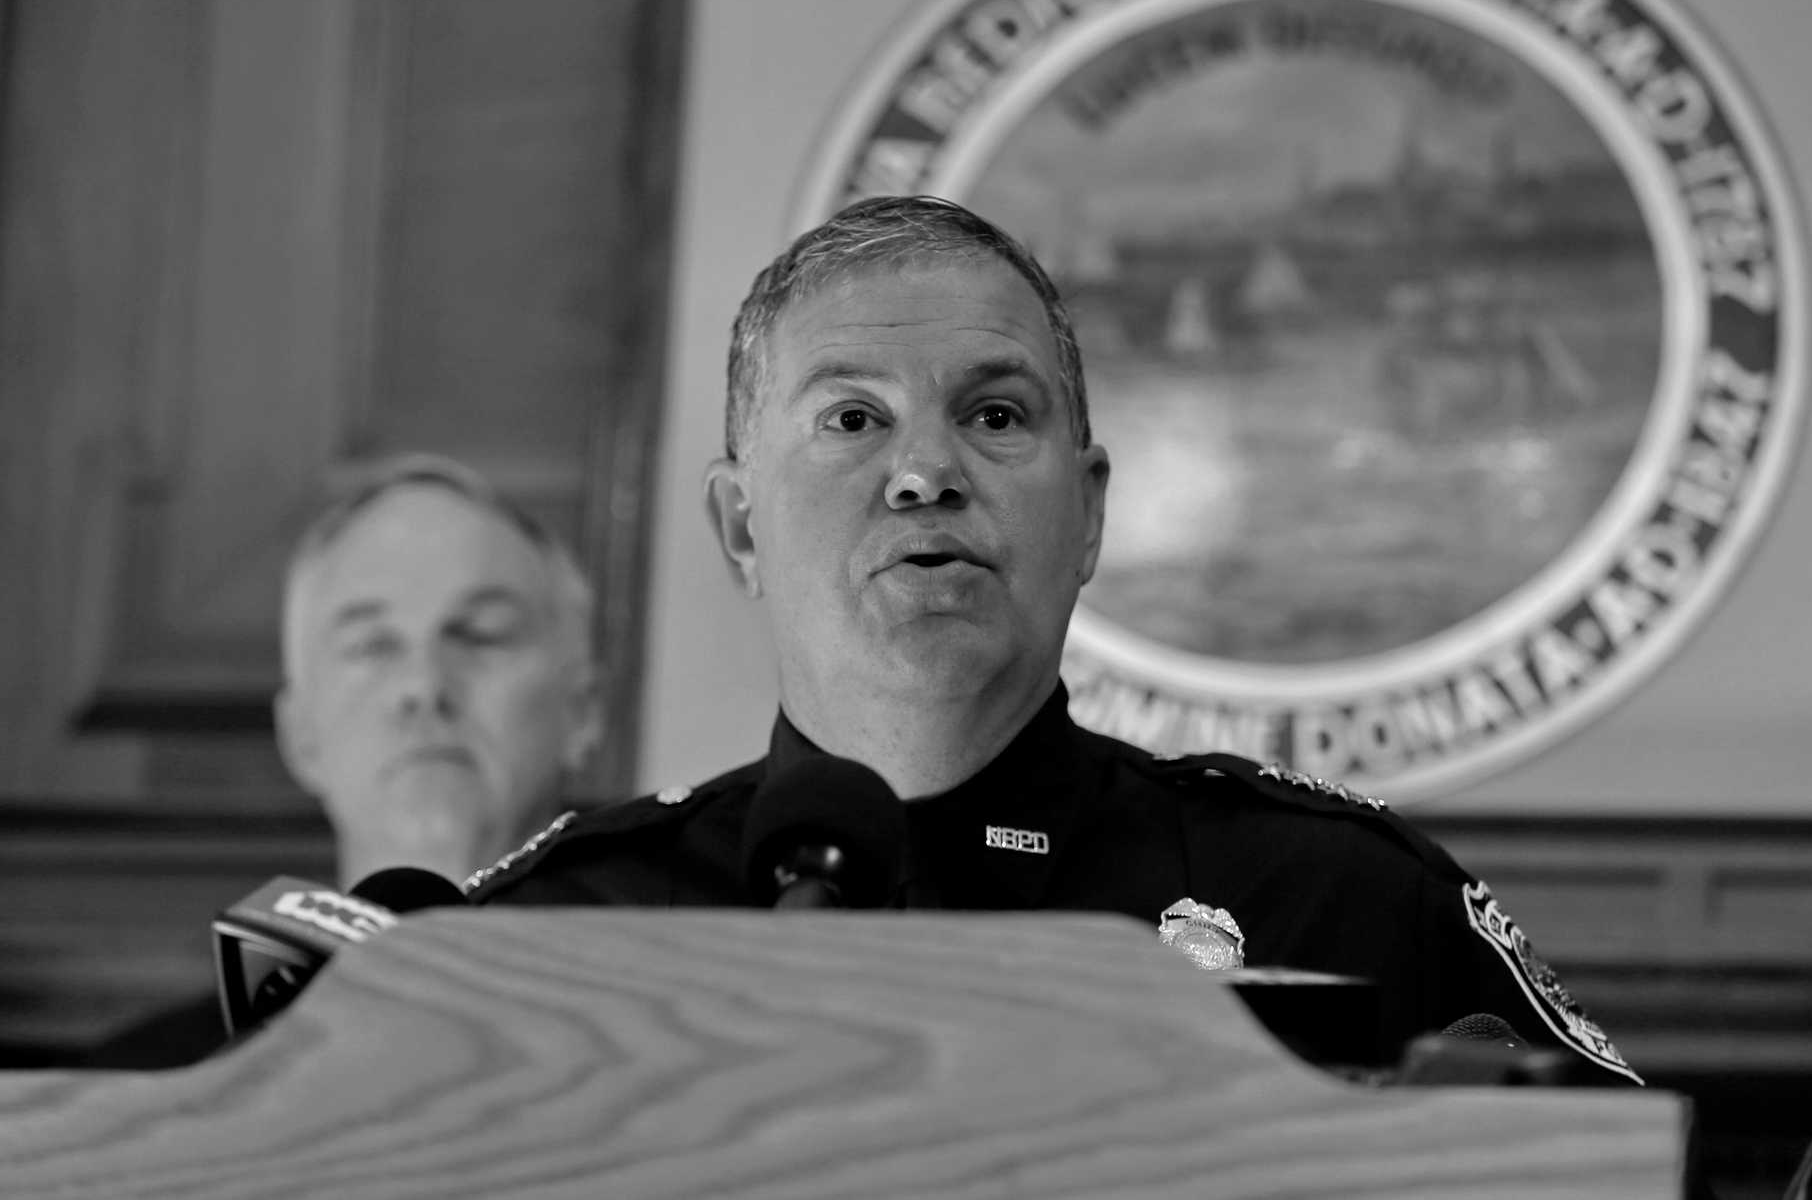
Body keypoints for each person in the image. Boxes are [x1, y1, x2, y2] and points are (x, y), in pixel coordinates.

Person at [465, 195, 1640, 1086]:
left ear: (1084, 513)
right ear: (739, 526)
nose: (924, 473)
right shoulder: (552, 937)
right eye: (852, 418)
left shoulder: (1346, 903)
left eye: (993, 414)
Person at [88, 454, 604, 1067]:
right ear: (301, 735)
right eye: (372, 645)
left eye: (480, 633)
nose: (423, 686)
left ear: (582, 711)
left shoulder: (698, 1054)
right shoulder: (140, 1090)